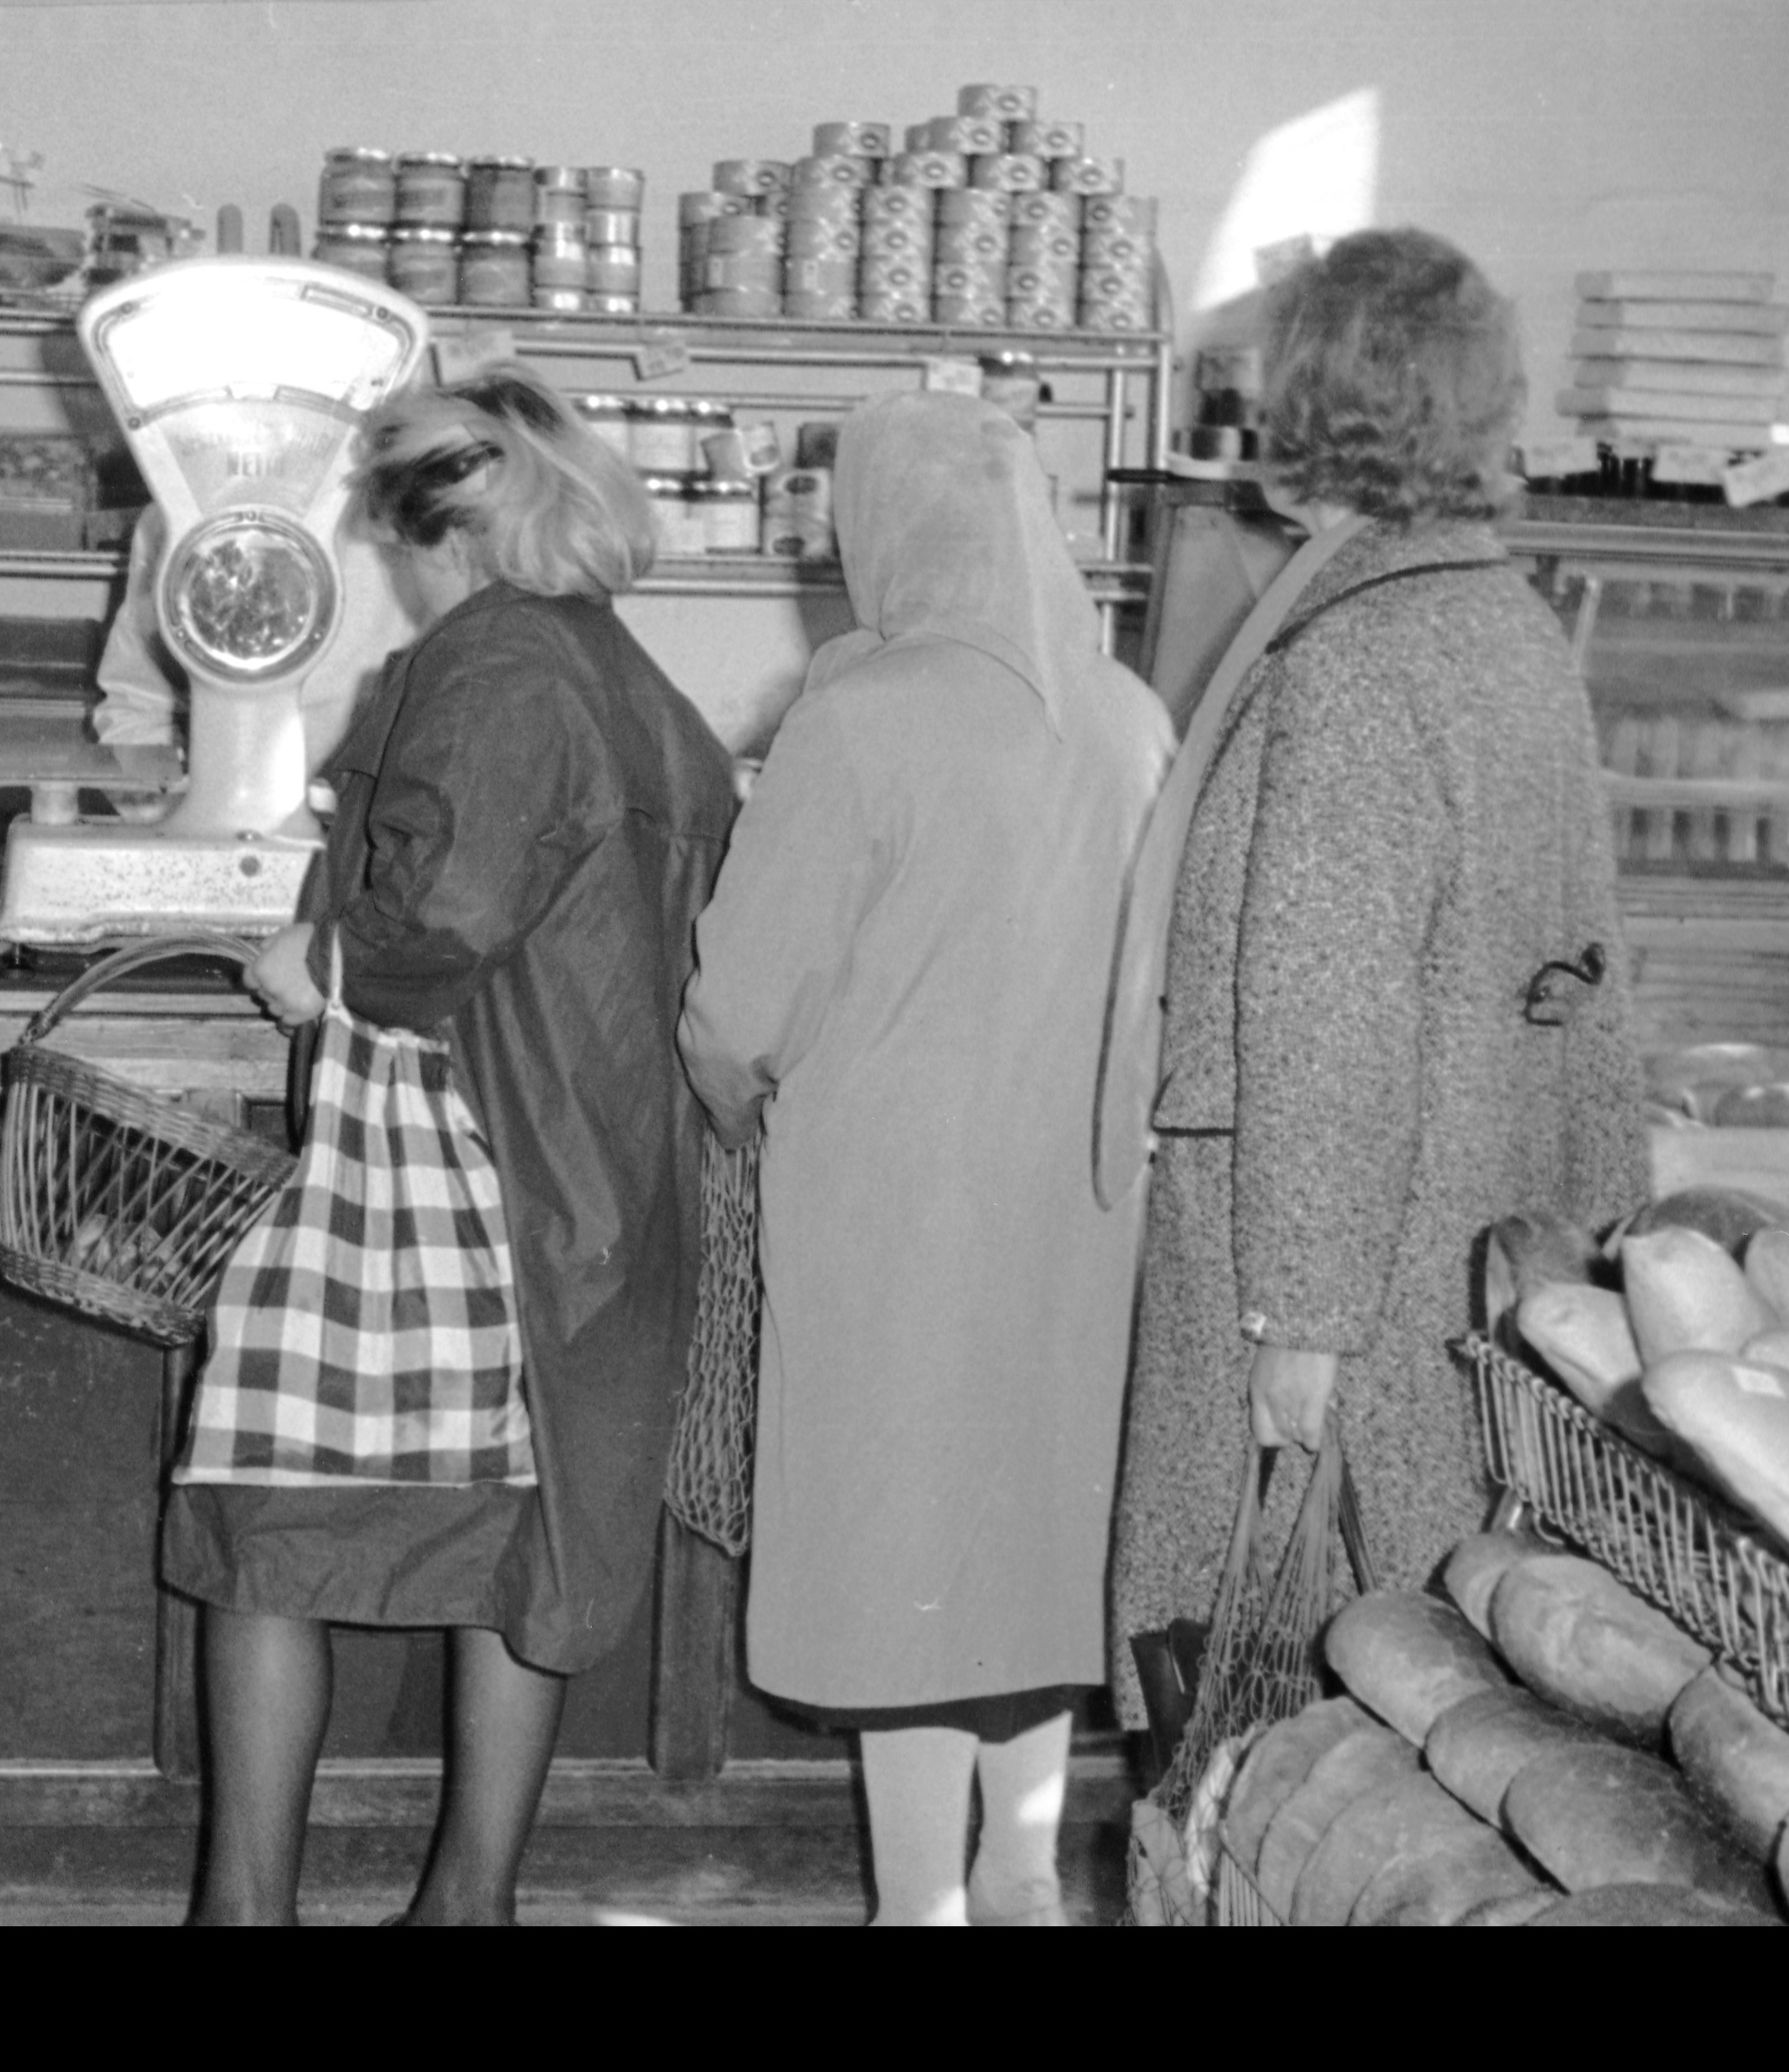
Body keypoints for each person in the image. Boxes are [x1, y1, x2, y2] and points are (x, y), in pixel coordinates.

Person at [164, 365, 738, 1925]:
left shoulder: (491, 659)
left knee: (265, 1513)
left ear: (444, 536)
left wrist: (320, 958)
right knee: (518, 1534)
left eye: (391, 542)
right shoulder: (625, 671)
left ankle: (244, 1913)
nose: (391, 574)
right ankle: (466, 1906)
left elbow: (449, 911)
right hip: (583, 1167)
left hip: (444, 1149)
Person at [1104, 228, 1643, 1739]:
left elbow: (1326, 1014)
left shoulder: (1352, 654)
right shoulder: (1506, 623)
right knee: (1440, 1700)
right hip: (1475, 1249)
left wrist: (1302, 1318)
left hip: (1340, 1268)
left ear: (1312, 401)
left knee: (1271, 1719)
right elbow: (1587, 985)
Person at [675, 391, 1172, 1927]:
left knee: (902, 1552)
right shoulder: (1130, 714)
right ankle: (1022, 1875)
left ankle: (920, 1903)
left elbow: (740, 1006)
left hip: (894, 1216)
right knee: (1031, 1545)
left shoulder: (859, 715)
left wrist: (731, 1102)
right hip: (1087, 1209)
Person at [93, 502, 421, 786]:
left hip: (363, 823)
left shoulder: (396, 522)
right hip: (210, 820)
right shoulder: (172, 516)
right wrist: (169, 813)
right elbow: (137, 713)